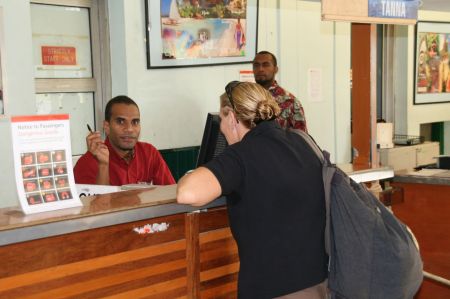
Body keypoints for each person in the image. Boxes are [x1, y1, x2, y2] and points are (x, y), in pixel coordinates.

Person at [177, 82, 327, 298]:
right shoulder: (303, 142)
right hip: (318, 283)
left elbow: (187, 193)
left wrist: (191, 174)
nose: (221, 128)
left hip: (271, 289)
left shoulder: (241, 156)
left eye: (221, 119)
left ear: (231, 117)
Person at [74, 95, 175, 186]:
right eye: (121, 122)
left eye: (135, 122)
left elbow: (171, 193)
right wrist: (103, 166)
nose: (129, 129)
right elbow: (98, 205)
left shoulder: (149, 153)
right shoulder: (87, 163)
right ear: (107, 126)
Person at [253, 50, 308, 132]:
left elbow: (301, 140)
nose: (260, 69)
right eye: (256, 65)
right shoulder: (246, 99)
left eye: (266, 65)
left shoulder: (290, 102)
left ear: (276, 69)